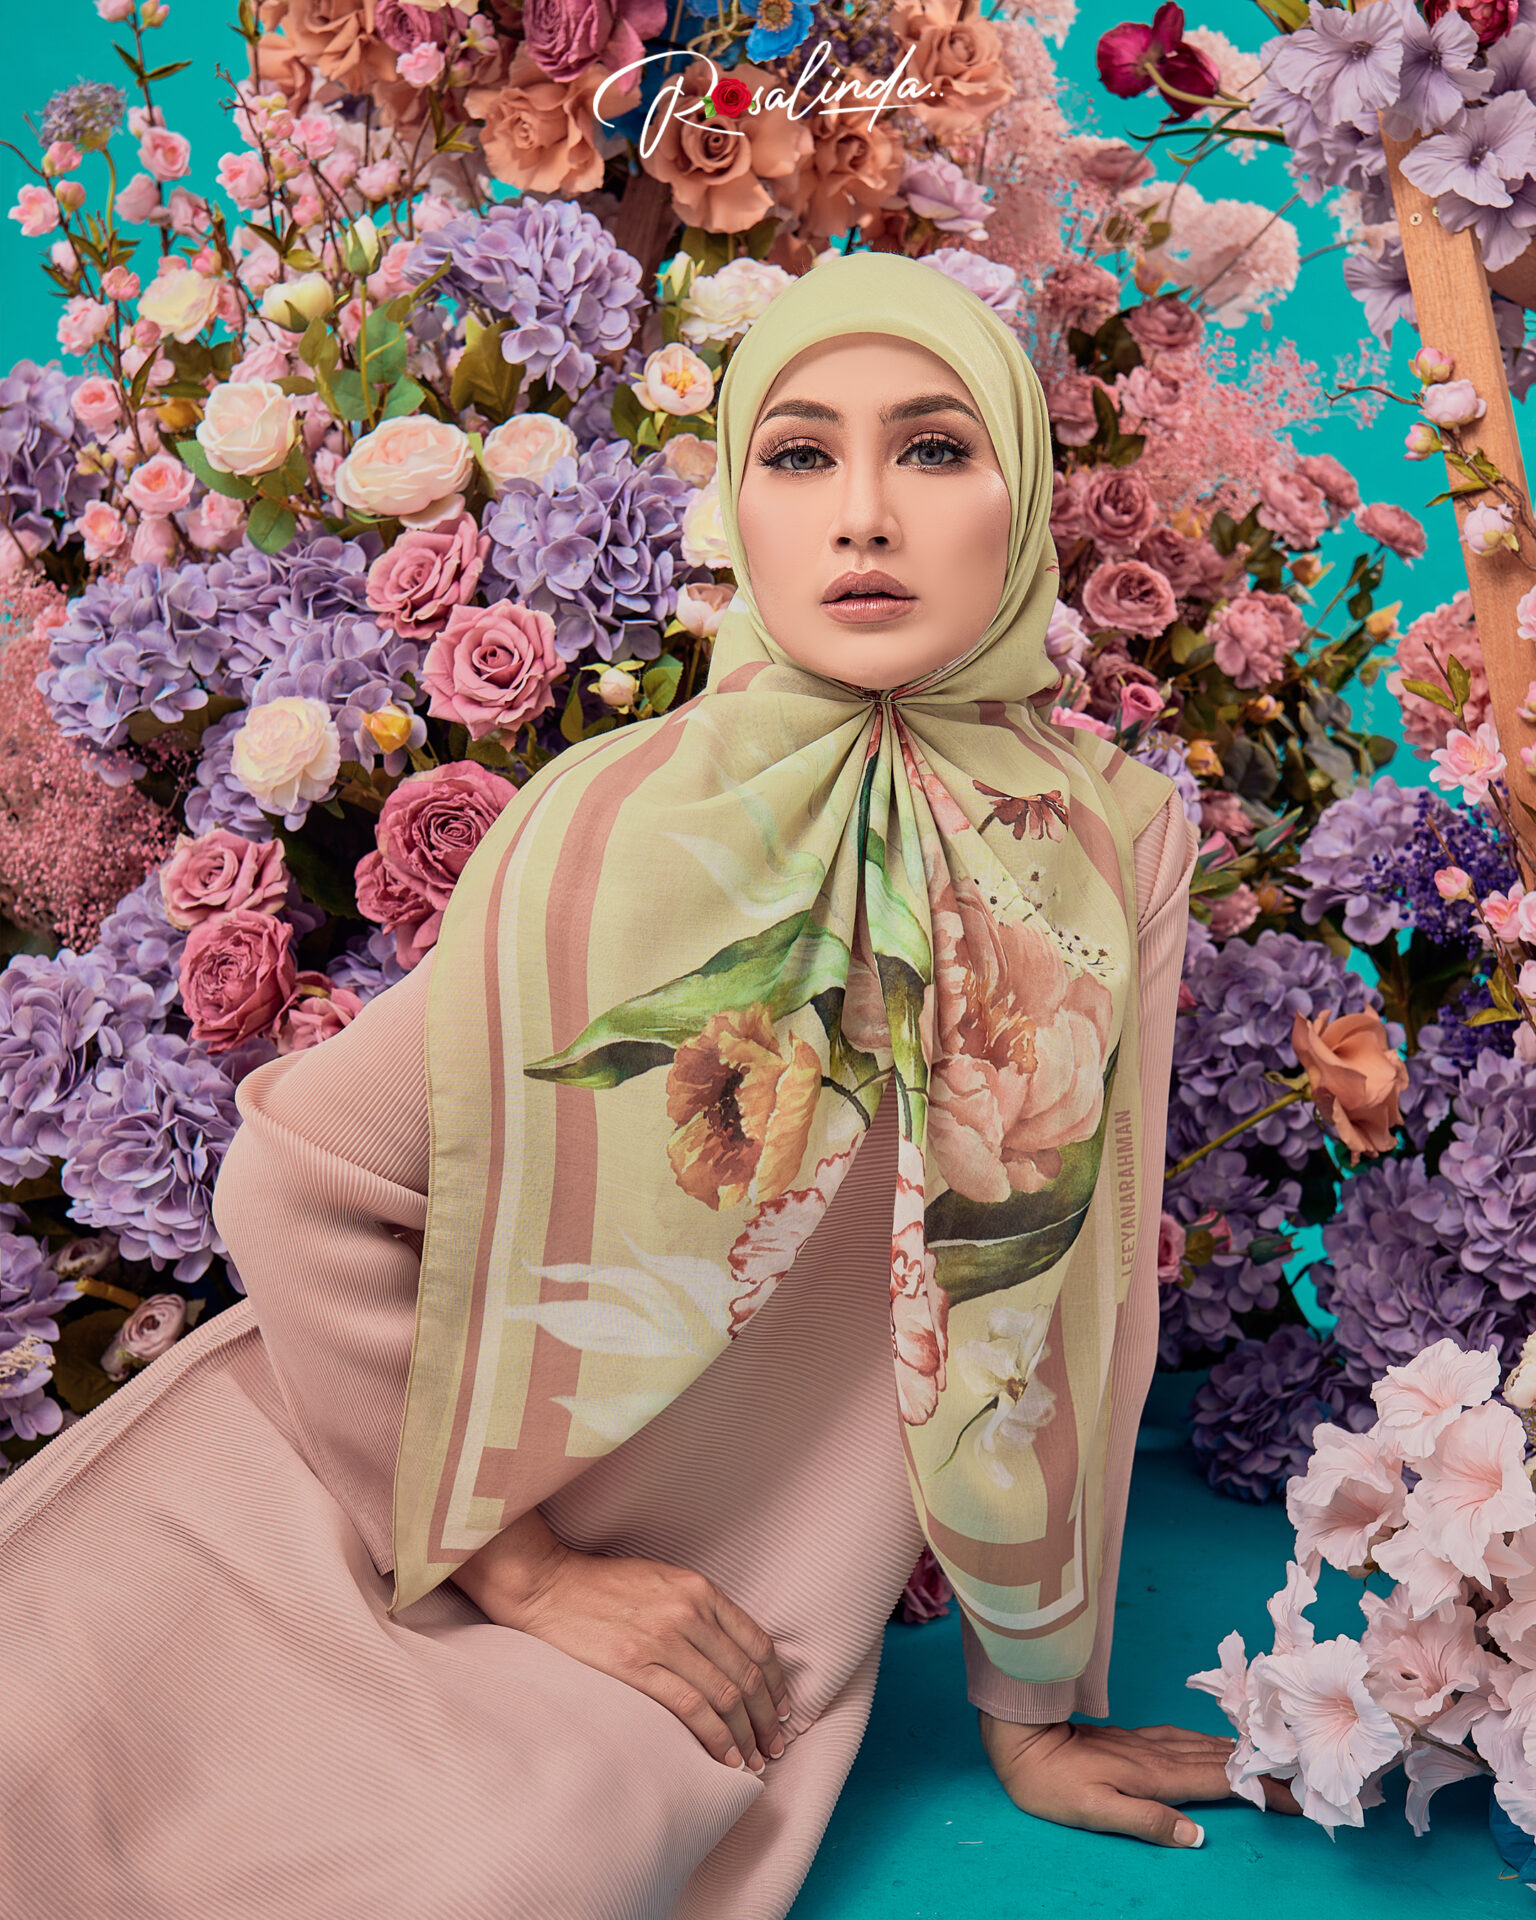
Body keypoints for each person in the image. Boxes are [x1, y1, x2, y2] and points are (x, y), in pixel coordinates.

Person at [0, 252, 1282, 1920]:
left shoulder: (1115, 832)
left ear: (1024, 498)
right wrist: (523, 1568)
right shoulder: (619, 817)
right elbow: (296, 1188)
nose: (864, 515)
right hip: (345, 1492)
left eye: (935, 448)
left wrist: (1033, 1704)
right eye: (800, 454)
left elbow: (1073, 1280)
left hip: (713, 1623)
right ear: (737, 507)